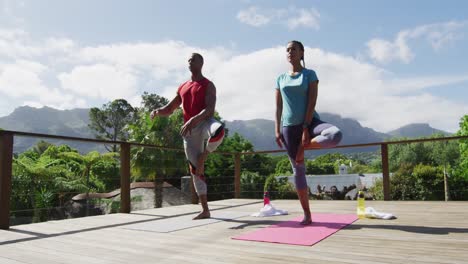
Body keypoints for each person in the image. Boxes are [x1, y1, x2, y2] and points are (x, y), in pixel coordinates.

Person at [275, 40, 342, 225]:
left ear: (302, 52)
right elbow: (278, 106)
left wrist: (305, 128)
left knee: (335, 134)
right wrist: (276, 129)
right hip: (288, 127)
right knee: (298, 170)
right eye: (287, 50)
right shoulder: (280, 78)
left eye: (294, 49)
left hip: (311, 122)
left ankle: (302, 149)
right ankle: (307, 214)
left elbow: (312, 101)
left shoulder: (310, 74)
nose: (290, 52)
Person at [151, 53, 225, 220]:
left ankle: (203, 157)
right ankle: (205, 210)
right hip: (189, 132)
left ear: (201, 63)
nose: (190, 62)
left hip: (204, 122)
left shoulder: (208, 85)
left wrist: (193, 119)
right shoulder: (183, 86)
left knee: (219, 131)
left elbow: (209, 110)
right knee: (195, 171)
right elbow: (170, 108)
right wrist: (157, 111)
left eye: (194, 59)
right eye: (189, 60)